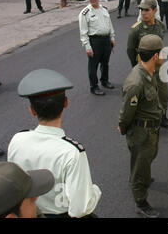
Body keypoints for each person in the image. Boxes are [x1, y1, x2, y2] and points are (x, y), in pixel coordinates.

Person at [8, 69, 102, 217]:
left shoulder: (16, 140)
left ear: (32, 110)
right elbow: (80, 209)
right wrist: (95, 191)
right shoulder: (72, 152)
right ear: (66, 103)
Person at [119, 34, 165, 218]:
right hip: (141, 132)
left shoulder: (148, 72)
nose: (164, 56)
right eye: (162, 53)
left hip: (150, 129)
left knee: (147, 158)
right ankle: (141, 202)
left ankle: (142, 178)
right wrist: (123, 127)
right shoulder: (136, 81)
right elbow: (126, 111)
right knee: (140, 167)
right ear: (155, 56)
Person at [127, 0, 168, 132]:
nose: (143, 13)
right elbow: (130, 50)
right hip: (143, 70)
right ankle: (145, 123)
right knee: (145, 99)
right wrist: (137, 68)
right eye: (141, 10)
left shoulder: (160, 25)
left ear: (154, 10)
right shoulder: (136, 29)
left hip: (159, 68)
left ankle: (163, 118)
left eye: (146, 10)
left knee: (163, 95)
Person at [78, 0, 116, 96]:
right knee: (93, 66)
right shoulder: (85, 13)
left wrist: (112, 38)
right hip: (94, 41)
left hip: (106, 40)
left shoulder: (104, 9)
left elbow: (109, 25)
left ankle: (104, 81)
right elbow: (83, 33)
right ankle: (94, 86)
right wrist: (87, 47)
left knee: (105, 63)